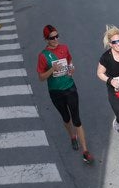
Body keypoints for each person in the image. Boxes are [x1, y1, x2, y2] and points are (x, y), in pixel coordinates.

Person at [36, 25, 94, 164]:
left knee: (76, 119)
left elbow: (70, 62)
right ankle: (72, 136)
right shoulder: (43, 56)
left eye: (57, 36)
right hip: (55, 92)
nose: (55, 39)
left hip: (70, 88)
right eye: (52, 37)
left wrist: (71, 68)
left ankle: (85, 151)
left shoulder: (64, 48)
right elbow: (41, 77)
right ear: (46, 39)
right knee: (66, 118)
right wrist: (52, 70)